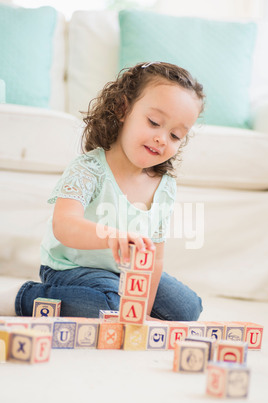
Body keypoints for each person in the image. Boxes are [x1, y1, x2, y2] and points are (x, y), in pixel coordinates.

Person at [15, 62, 205, 320]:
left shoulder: (165, 186)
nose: (162, 139)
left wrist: (142, 315)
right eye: (154, 122)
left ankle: (117, 302)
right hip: (72, 268)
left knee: (187, 308)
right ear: (122, 109)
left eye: (175, 135)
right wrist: (108, 236)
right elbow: (64, 224)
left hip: (125, 273)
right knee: (110, 306)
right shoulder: (90, 168)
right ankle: (23, 296)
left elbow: (155, 259)